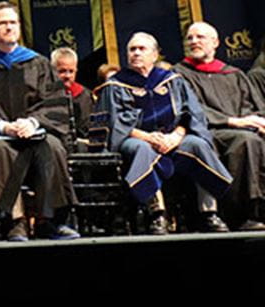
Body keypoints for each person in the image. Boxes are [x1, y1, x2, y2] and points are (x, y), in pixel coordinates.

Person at [0, 1, 79, 240]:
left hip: (33, 133)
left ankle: (50, 222)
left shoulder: (39, 63)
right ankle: (14, 223)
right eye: (2, 23)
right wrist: (4, 126)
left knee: (52, 147)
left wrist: (32, 123)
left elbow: (54, 105)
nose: (8, 27)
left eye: (13, 22)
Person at [98, 31, 231, 234]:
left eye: (141, 49)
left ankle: (209, 213)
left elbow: (191, 114)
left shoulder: (172, 80)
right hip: (135, 139)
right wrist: (147, 137)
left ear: (154, 55)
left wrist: (176, 136)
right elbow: (112, 122)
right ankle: (157, 214)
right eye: (132, 49)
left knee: (198, 144)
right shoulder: (115, 85)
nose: (136, 53)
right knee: (144, 150)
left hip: (173, 138)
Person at [173, 21, 264, 230]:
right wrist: (232, 121)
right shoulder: (179, 74)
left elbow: (251, 106)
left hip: (240, 130)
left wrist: (257, 121)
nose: (194, 41)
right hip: (205, 131)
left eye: (200, 37)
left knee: (254, 139)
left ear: (215, 43)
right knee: (246, 141)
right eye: (190, 38)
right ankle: (242, 213)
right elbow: (190, 109)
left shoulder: (233, 74)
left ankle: (256, 211)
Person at [51, 47, 96, 149]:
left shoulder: (84, 95)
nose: (67, 76)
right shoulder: (45, 94)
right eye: (62, 71)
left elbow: (87, 127)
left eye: (71, 71)